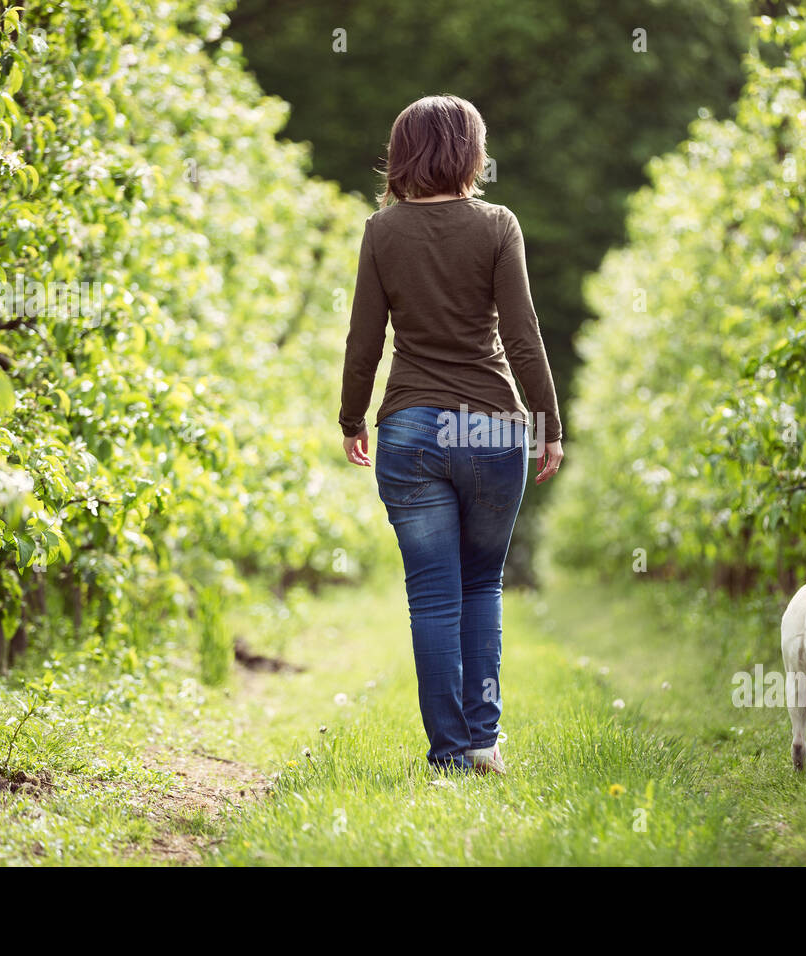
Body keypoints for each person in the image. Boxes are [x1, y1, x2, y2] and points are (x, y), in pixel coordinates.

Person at [338, 94, 565, 775]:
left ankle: (448, 754)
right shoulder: (498, 225)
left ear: (403, 151)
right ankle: (482, 742)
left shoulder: (381, 231)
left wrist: (353, 419)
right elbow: (522, 338)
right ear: (471, 152)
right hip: (492, 428)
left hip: (409, 429)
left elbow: (363, 339)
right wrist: (549, 424)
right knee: (480, 586)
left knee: (432, 596)